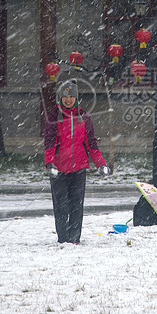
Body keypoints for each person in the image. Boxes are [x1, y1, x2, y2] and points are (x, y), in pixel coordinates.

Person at [44, 80, 110, 243]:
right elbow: (49, 142)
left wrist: (101, 163)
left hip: (79, 168)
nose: (68, 99)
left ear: (76, 98)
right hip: (59, 169)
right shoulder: (53, 117)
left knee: (76, 205)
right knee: (61, 206)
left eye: (71, 96)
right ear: (60, 97)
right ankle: (63, 239)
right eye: (65, 96)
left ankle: (74, 238)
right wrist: (50, 163)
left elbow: (91, 144)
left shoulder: (84, 117)